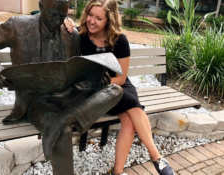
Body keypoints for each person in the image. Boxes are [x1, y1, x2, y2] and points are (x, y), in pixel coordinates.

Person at [0, 0, 123, 174]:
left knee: (115, 90)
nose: (57, 21)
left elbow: (78, 68)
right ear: (41, 6)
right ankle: (61, 122)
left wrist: (95, 77)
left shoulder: (70, 32)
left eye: (62, 15)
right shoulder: (17, 26)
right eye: (52, 14)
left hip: (70, 94)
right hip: (38, 101)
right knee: (62, 132)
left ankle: (61, 119)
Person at [64, 0, 175, 174]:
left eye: (98, 18)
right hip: (91, 90)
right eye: (90, 15)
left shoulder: (119, 41)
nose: (92, 21)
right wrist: (65, 22)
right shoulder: (80, 36)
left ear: (109, 20)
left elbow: (121, 79)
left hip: (115, 83)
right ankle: (156, 158)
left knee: (130, 119)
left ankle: (126, 168)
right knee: (132, 113)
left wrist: (101, 83)